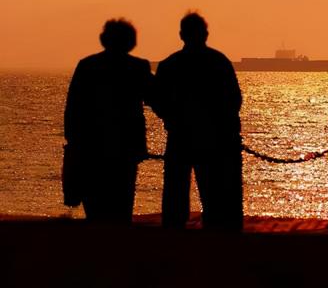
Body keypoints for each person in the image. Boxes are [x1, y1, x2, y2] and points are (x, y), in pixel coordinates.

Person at [153, 12, 243, 231]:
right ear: (205, 34)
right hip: (214, 136)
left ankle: (173, 229)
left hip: (180, 135)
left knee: (175, 189)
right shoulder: (219, 62)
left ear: (181, 35)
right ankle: (216, 228)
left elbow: (158, 100)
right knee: (213, 188)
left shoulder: (169, 65)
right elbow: (234, 101)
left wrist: (172, 117)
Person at [64, 18, 153, 223]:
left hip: (90, 148)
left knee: (95, 209)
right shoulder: (137, 67)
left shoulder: (87, 66)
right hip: (126, 149)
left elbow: (73, 107)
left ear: (104, 39)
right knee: (122, 208)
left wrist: (74, 141)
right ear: (131, 41)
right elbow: (157, 98)